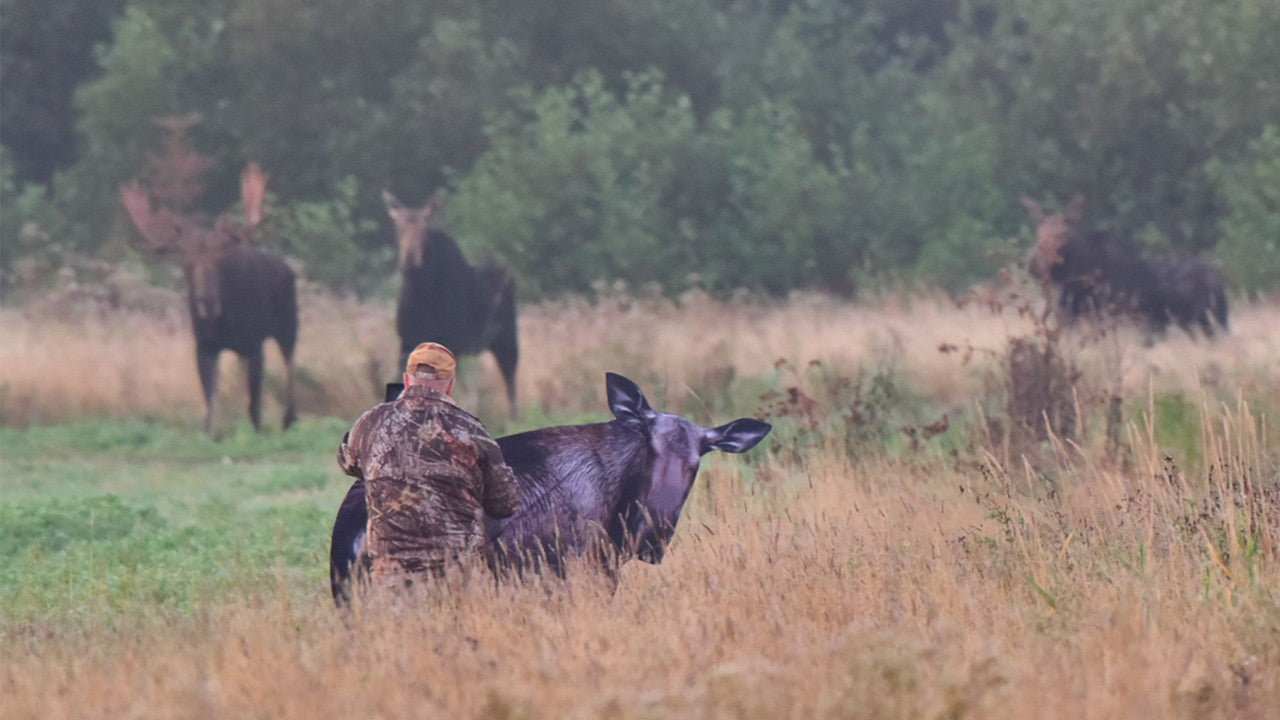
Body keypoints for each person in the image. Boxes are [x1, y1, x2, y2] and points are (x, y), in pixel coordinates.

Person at [337, 342, 519, 592]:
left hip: (392, 580)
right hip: (461, 580)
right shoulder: (470, 430)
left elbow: (346, 462)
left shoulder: (370, 423)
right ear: (450, 384)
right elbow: (506, 503)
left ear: (406, 379)